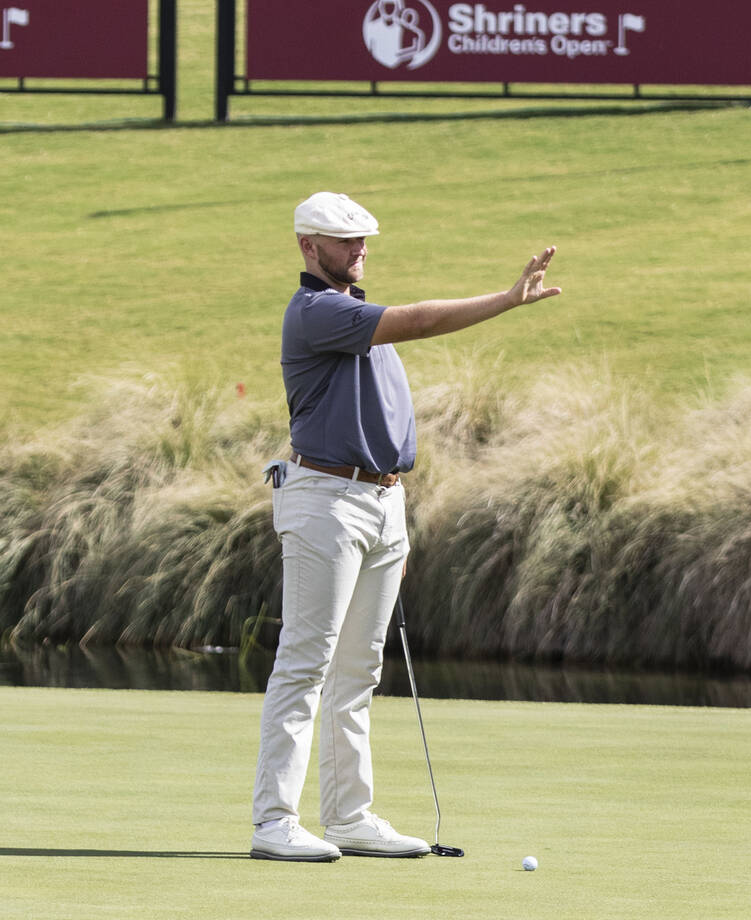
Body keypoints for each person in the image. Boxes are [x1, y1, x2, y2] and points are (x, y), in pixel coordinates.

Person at [250, 192, 560, 862]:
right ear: (309, 246)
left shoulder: (355, 312)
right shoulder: (317, 313)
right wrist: (505, 300)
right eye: (344, 240)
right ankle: (275, 821)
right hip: (326, 500)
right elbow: (419, 321)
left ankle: (349, 817)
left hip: (380, 502)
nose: (359, 250)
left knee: (359, 667)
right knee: (305, 663)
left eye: (365, 238)